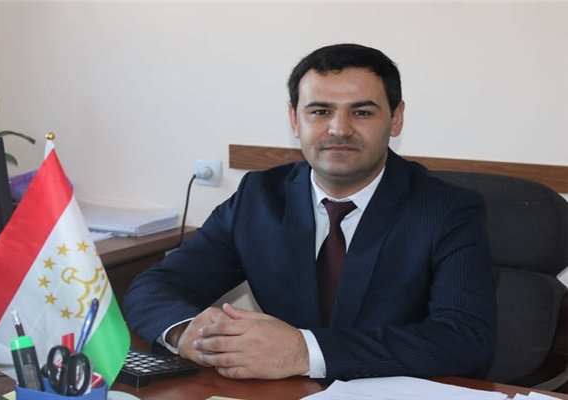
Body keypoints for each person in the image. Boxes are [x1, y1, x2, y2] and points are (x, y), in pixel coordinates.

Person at [123, 43, 497, 381]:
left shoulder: (447, 210)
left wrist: (305, 352)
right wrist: (188, 333)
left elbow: (466, 339)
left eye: (362, 112)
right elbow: (152, 289)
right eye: (320, 111)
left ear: (395, 118)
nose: (339, 129)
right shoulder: (259, 197)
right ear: (294, 119)